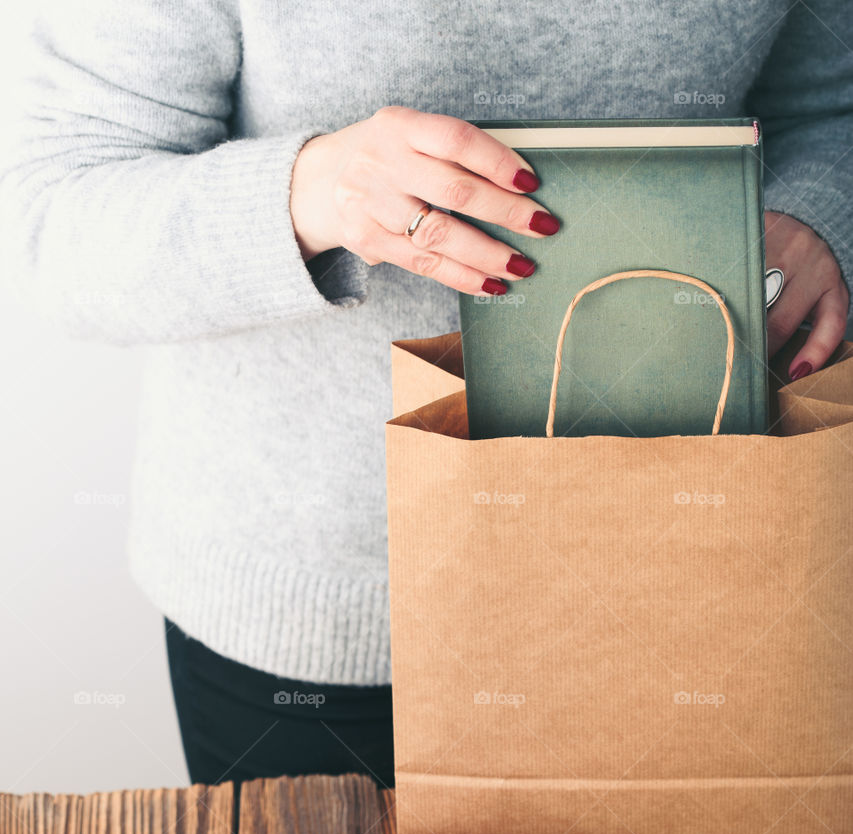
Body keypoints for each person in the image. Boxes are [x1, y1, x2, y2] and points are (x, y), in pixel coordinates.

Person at [2, 0, 850, 791]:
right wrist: (313, 191)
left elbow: (830, 106)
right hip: (328, 605)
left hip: (707, 570)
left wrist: (816, 218)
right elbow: (55, 218)